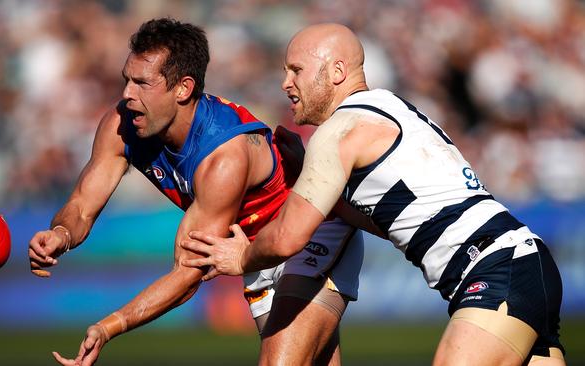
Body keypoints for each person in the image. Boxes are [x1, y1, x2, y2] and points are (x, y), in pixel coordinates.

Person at [181, 23, 566, 366]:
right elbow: (392, 222)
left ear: (336, 72)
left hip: (494, 270)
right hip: (524, 263)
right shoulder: (392, 108)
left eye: (296, 70)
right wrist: (312, 174)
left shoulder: (338, 132)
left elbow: (287, 238)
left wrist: (242, 256)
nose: (285, 83)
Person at [27, 18, 364, 366]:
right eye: (127, 79)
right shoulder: (121, 125)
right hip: (254, 251)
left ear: (183, 89)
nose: (127, 94)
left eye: (142, 83)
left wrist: (110, 326)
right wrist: (60, 234)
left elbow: (189, 273)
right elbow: (82, 206)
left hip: (311, 230)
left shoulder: (223, 155)